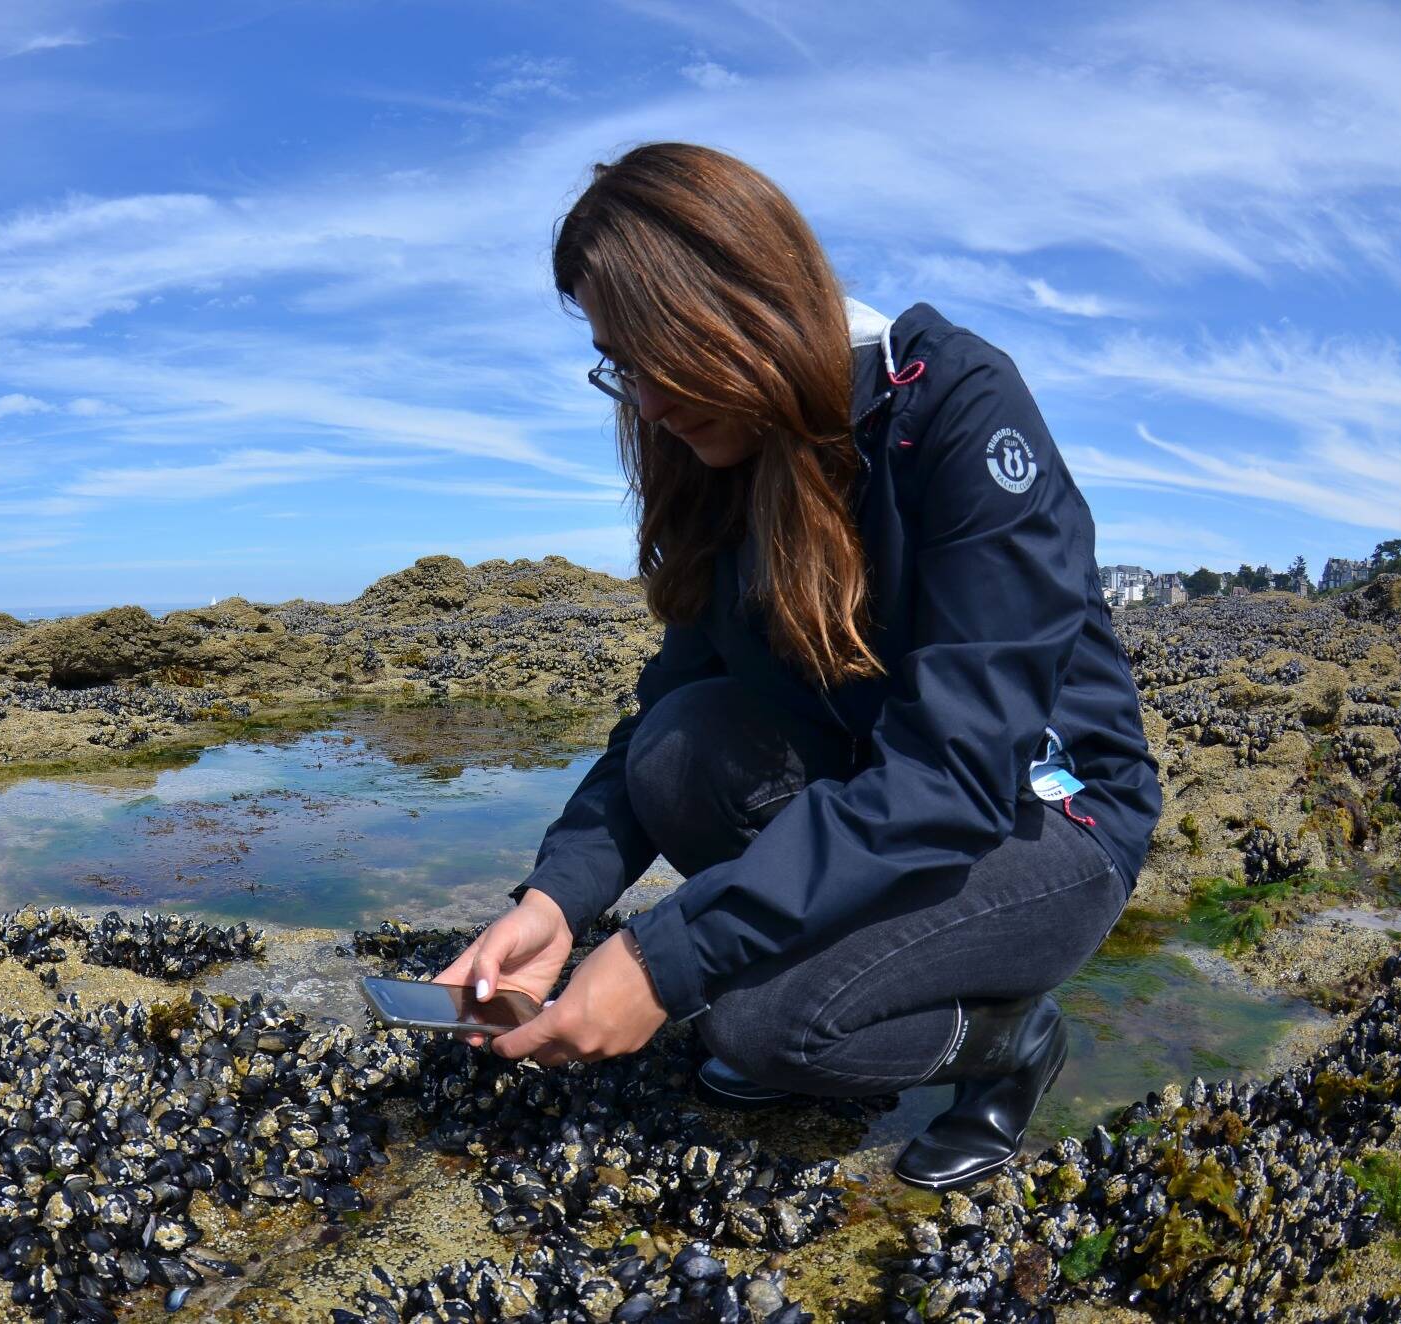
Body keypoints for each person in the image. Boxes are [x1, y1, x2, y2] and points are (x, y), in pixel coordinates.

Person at [433, 142, 1162, 1192]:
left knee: (762, 1023)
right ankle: (849, 977)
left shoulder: (954, 408)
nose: (640, 402)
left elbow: (950, 776)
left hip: (1044, 813)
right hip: (881, 788)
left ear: (737, 305)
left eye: (651, 357)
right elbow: (661, 715)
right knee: (679, 746)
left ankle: (1009, 1041)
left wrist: (663, 958)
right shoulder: (723, 465)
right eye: (615, 364)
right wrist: (554, 900)